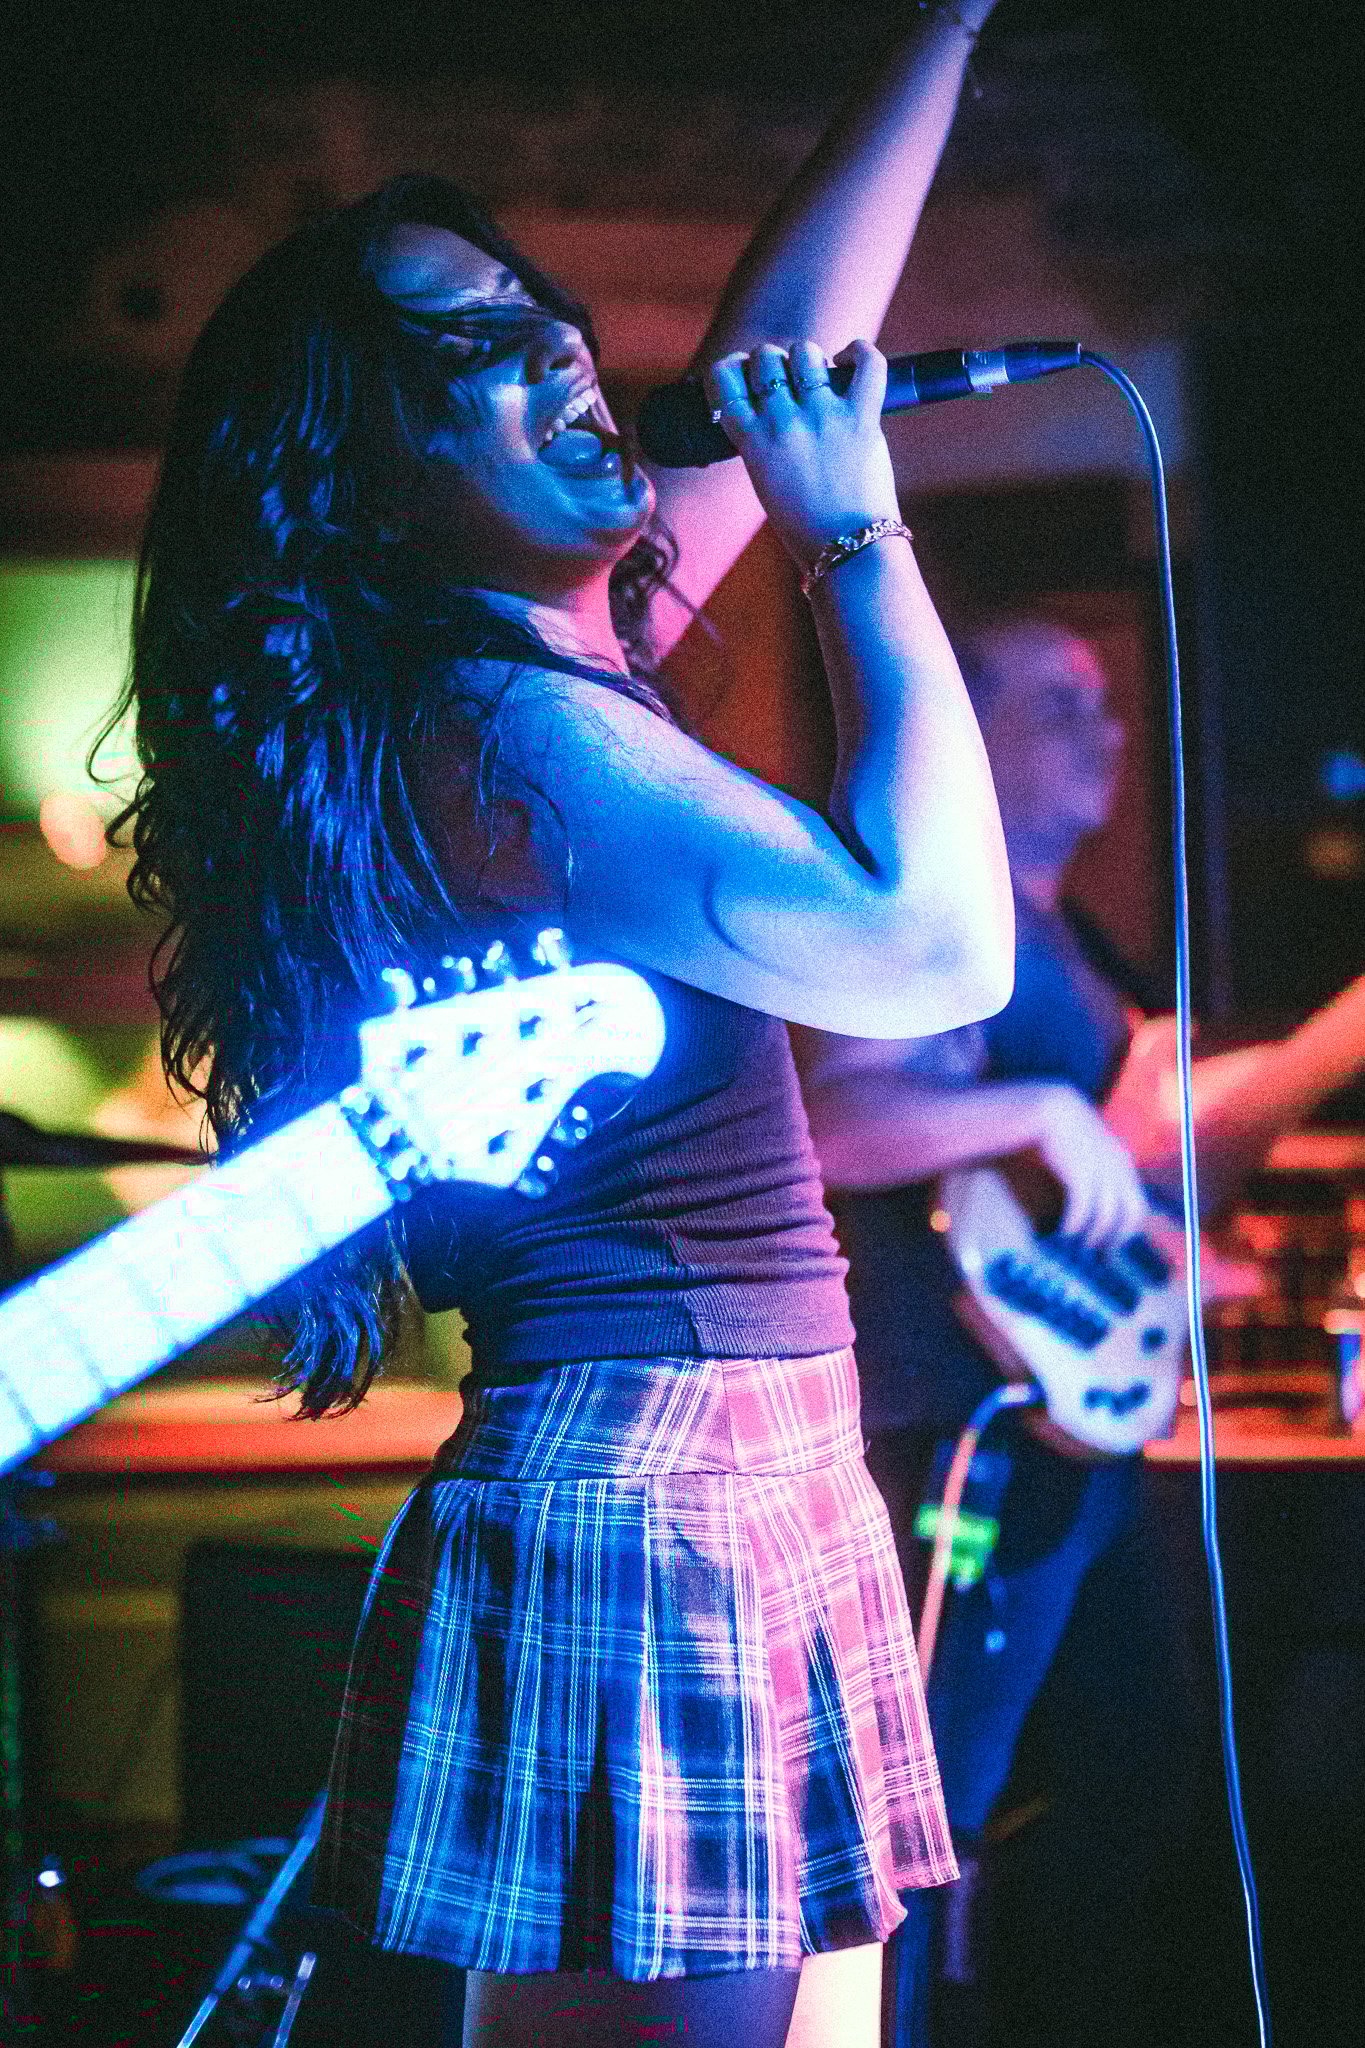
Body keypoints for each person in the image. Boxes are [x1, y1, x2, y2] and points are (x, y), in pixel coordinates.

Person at [109, 9, 1014, 2045]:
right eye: (472, 352)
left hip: (722, 1461)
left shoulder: (528, 677)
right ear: (371, 483)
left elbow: (779, 349)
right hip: (663, 1494)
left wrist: (945, 24)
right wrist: (855, 533)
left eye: (542, 315)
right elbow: (937, 950)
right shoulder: (517, 743)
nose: (561, 354)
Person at [793, 616, 1365, 2047]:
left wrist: (1173, 1241)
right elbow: (835, 1117)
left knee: (1129, 1778)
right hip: (961, 1419)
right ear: (967, 723)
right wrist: (1049, 1108)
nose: (1106, 731)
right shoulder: (947, 908)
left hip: (1066, 1427)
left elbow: (1128, 1167)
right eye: (1061, 701)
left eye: (1108, 705)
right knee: (920, 1825)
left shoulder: (1061, 938)